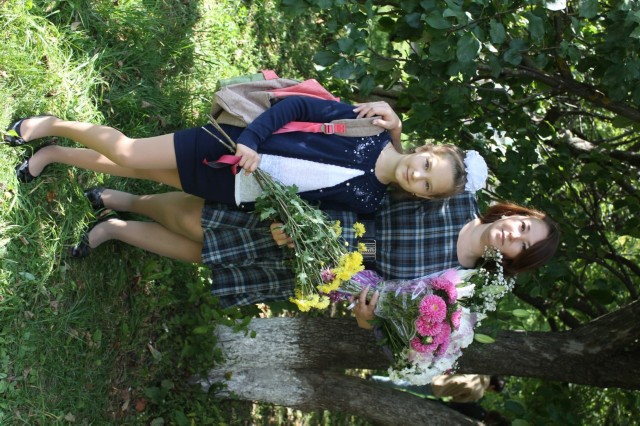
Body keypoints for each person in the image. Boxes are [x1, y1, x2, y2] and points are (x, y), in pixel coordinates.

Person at [5, 96, 488, 214]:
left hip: (236, 188)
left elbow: (314, 209)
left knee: (136, 170)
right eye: (427, 165)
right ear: (427, 149)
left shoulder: (370, 201)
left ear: (424, 195)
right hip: (231, 144)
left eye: (428, 185)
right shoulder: (371, 125)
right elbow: (298, 107)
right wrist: (252, 140)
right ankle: (51, 124)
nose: (418, 175)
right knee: (129, 151)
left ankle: (55, 154)